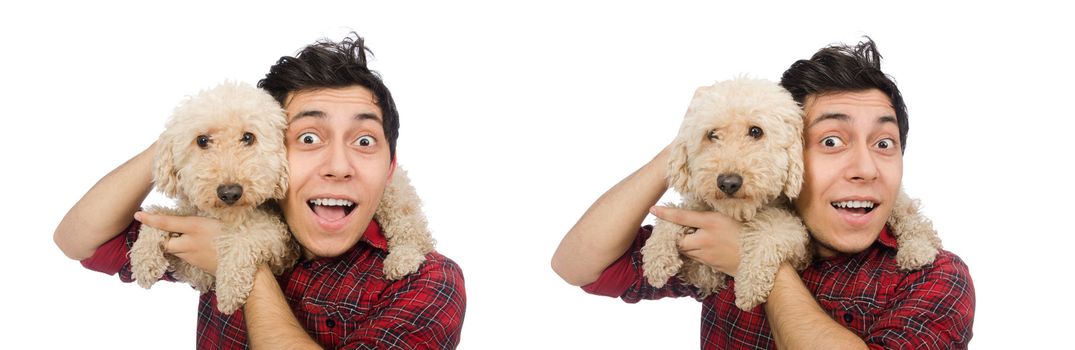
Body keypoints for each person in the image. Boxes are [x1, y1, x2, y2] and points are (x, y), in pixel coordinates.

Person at [551, 37, 974, 349]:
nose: (864, 169)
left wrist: (758, 265)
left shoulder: (936, 279)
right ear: (786, 153)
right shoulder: (728, 224)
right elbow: (578, 265)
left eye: (884, 143)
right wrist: (692, 141)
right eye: (831, 141)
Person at [54, 33, 466, 349]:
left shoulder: (428, 281)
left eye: (363, 141)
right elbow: (79, 241)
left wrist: (244, 269)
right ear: (275, 154)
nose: (339, 167)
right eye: (308, 138)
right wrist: (185, 137)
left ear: (390, 167)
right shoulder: (224, 220)